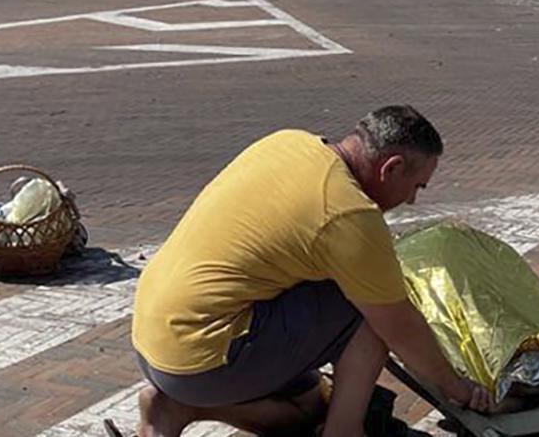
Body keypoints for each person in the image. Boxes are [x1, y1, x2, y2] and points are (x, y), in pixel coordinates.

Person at [131, 106, 495, 437]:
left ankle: (177, 406)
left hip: (153, 338)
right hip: (202, 357)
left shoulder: (288, 142)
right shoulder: (349, 215)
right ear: (392, 167)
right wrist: (458, 388)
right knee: (374, 306)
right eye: (416, 187)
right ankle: (343, 432)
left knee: (311, 409)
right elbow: (399, 328)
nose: (413, 200)